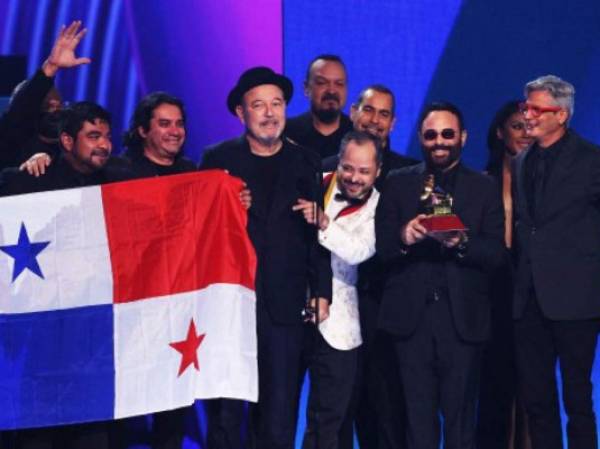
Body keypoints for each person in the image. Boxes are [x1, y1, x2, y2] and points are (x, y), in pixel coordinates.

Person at [199, 66, 331, 449]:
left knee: (279, 411)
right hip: (229, 306)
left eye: (277, 104)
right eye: (259, 105)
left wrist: (321, 290)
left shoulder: (307, 161)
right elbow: (198, 227)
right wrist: (227, 210)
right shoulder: (217, 159)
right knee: (226, 414)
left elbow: (316, 234)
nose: (270, 113)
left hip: (285, 306)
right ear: (241, 114)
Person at [375, 102, 504, 449]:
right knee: (417, 420)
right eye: (431, 135)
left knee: (461, 421)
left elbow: (496, 255)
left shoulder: (484, 187)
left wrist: (461, 241)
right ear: (420, 138)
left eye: (448, 134)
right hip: (410, 322)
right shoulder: (398, 183)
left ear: (462, 137)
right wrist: (405, 237)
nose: (439, 142)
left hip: (462, 321)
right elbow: (382, 249)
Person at [0, 101, 122, 449]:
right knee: (39, 434)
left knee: (92, 433)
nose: (104, 144)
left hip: (93, 337)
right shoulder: (32, 179)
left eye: (108, 137)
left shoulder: (121, 179)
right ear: (67, 141)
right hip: (40, 335)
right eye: (94, 136)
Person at [324, 84, 418, 449]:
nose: (374, 119)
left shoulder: (411, 175)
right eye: (368, 109)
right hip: (336, 312)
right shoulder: (325, 174)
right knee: (338, 410)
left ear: (393, 123)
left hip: (389, 313)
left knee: (389, 411)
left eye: (383, 113)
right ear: (353, 112)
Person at [512, 75, 600, 449]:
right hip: (530, 297)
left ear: (561, 115)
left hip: (576, 299)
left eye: (536, 109)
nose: (527, 116)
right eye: (525, 107)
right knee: (536, 398)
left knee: (577, 397)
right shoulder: (521, 161)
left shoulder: (591, 161)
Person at [293, 130, 381, 449]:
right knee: (281, 408)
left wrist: (324, 224)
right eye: (348, 168)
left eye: (363, 171)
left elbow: (360, 250)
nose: (354, 178)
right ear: (339, 161)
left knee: (327, 418)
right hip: (293, 313)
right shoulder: (315, 181)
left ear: (377, 172)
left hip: (341, 325)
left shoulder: (379, 206)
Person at [477, 101, 533, 449]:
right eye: (517, 126)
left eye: (529, 126)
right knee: (491, 394)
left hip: (532, 307)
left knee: (531, 397)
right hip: (487, 309)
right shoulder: (480, 186)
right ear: (500, 133)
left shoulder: (546, 189)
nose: (525, 134)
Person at [0, 21, 90, 171]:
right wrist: (51, 67)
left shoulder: (71, 150)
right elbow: (24, 105)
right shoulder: (10, 142)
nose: (55, 111)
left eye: (59, 106)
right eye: (47, 106)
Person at [285, 55, 352, 159]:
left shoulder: (358, 136)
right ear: (306, 88)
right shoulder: (287, 133)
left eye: (339, 84)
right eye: (322, 83)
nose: (331, 90)